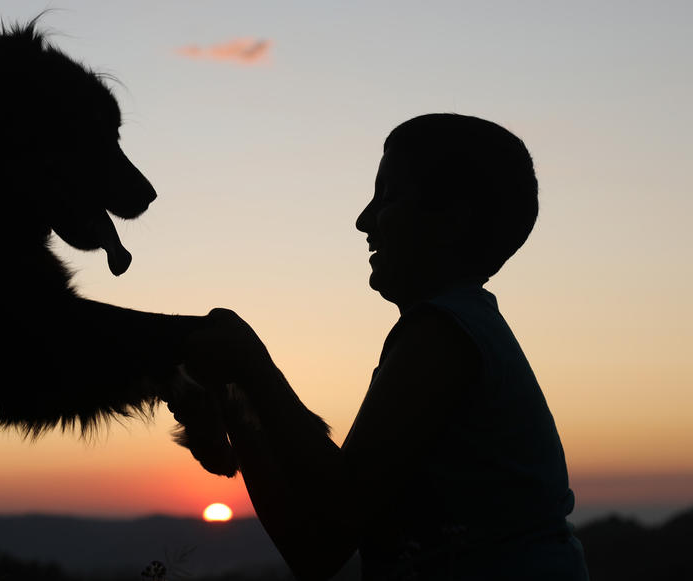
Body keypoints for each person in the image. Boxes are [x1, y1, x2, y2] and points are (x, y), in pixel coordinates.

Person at [180, 114, 590, 580]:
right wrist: (237, 396)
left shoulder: (441, 333)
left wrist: (254, 368)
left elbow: (340, 503)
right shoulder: (460, 328)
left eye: (388, 198)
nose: (363, 221)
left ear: (452, 220)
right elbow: (315, 551)